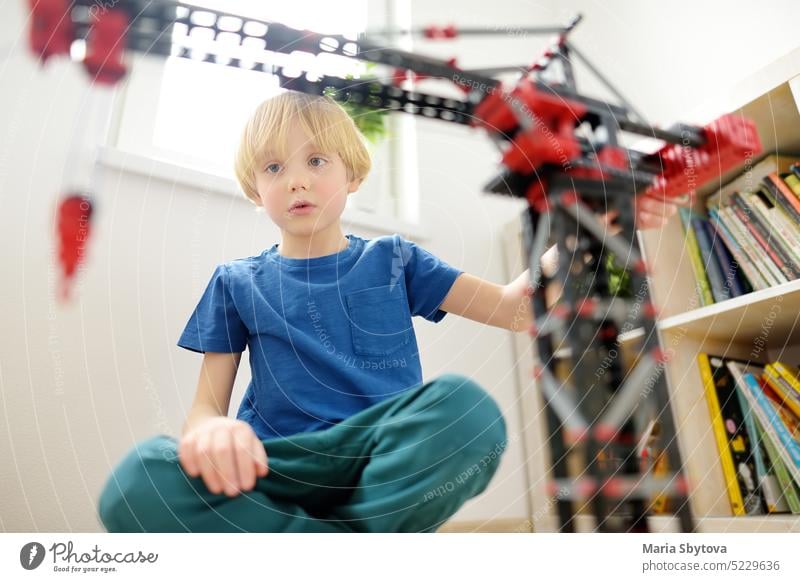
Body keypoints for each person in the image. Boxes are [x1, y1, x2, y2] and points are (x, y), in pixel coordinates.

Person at [97, 91, 685, 532]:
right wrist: (213, 435)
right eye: (274, 168)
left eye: (316, 161)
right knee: (136, 480)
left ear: (353, 173)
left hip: (382, 461)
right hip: (274, 467)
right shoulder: (235, 281)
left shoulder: (394, 260)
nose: (296, 180)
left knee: (466, 412)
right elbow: (204, 411)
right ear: (255, 190)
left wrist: (584, 228)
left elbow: (513, 310)